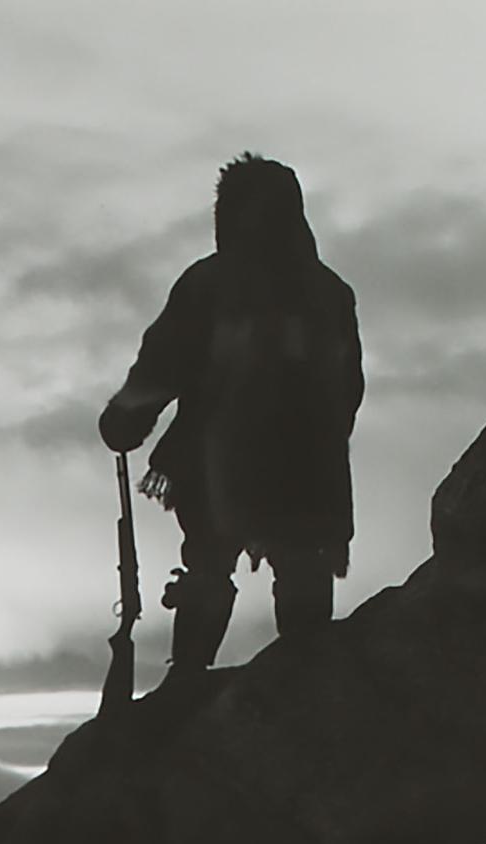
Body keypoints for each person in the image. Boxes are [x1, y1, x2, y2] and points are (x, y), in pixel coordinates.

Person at [99, 153, 363, 687]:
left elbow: (162, 365)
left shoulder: (208, 285)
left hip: (220, 463)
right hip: (311, 470)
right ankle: (306, 684)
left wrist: (126, 418)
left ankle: (188, 681)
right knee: (304, 569)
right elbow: (348, 391)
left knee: (207, 569)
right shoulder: (332, 294)